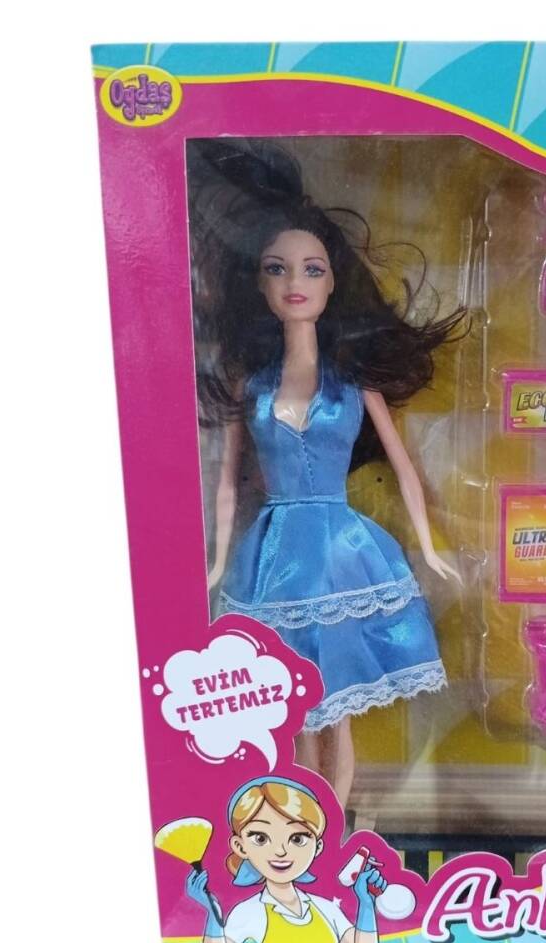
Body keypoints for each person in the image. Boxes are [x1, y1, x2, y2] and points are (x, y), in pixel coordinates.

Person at [190, 141, 463, 807]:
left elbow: (404, 469)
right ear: (260, 285)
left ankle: (333, 818)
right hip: (275, 553)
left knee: (336, 701)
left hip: (343, 552)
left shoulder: (353, 382)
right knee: (292, 706)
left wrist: (431, 547)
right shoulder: (251, 383)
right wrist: (217, 560)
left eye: (312, 269)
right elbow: (226, 482)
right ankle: (300, 815)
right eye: (277, 269)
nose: (296, 282)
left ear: (333, 281)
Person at [185, 776, 385, 943]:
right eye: (261, 838)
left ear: (317, 846)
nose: (280, 851)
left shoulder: (325, 908)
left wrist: (366, 904)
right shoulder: (250, 911)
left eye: (297, 839)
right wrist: (214, 915)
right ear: (240, 846)